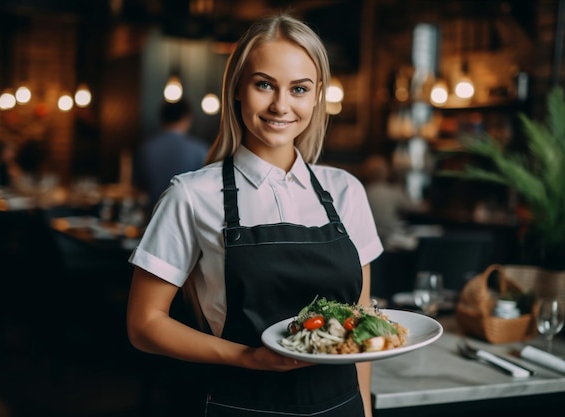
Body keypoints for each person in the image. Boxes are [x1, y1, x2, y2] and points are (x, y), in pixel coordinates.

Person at [126, 13, 382, 417]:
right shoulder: (191, 195)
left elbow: (362, 322)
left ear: (317, 96)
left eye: (299, 89)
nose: (281, 105)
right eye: (264, 84)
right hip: (243, 406)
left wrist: (365, 411)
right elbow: (144, 324)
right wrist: (246, 357)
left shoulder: (346, 191)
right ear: (237, 90)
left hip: (342, 406)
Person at [135, 98, 209, 213]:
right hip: (188, 216)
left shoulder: (146, 148)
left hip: (151, 215)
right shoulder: (199, 150)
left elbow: (137, 186)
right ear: (186, 119)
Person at [362, 154, 426, 250]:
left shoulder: (361, 191)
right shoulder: (392, 192)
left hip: (368, 242)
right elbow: (419, 208)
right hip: (390, 241)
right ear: (386, 172)